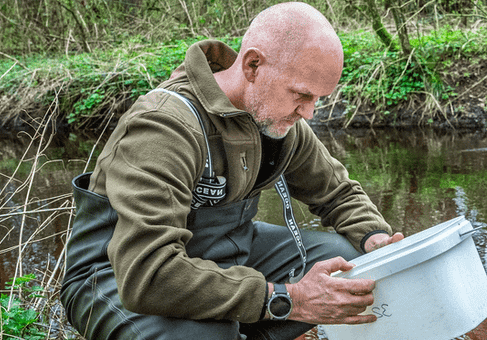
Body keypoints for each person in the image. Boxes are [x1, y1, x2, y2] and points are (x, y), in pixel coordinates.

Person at [59, 2, 405, 339]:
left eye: (319, 98)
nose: (310, 113)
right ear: (253, 65)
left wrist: (374, 237)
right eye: (301, 94)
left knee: (350, 266)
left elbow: (337, 193)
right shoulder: (164, 126)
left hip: (225, 254)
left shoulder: (276, 118)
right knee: (202, 332)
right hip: (118, 275)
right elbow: (149, 275)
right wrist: (287, 299)